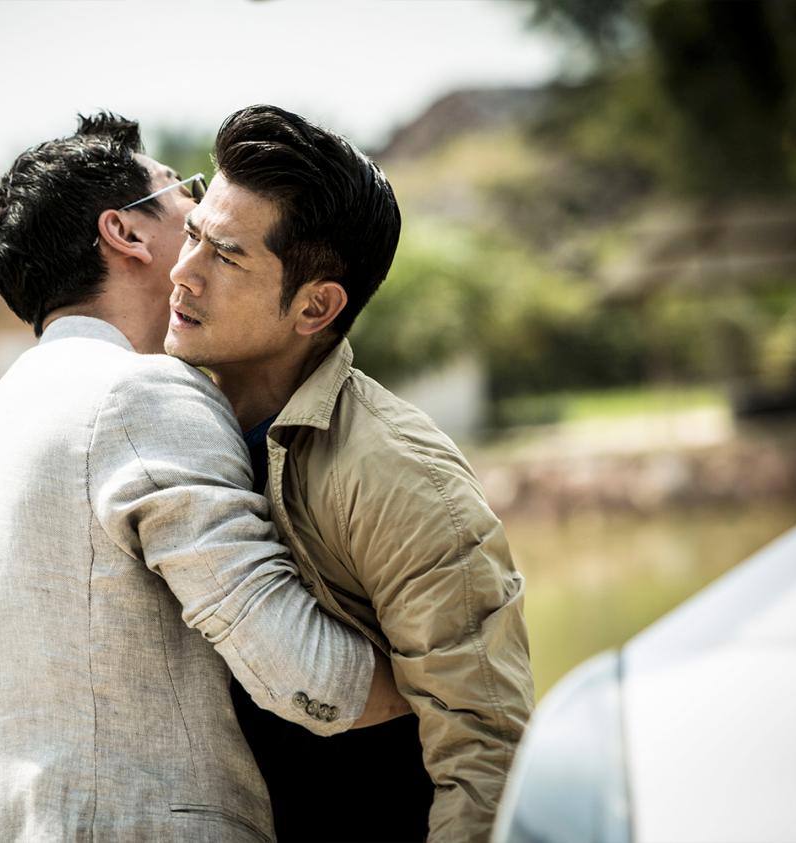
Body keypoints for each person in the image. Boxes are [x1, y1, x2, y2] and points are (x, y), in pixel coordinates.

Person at [0, 112, 405, 842]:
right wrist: (441, 684)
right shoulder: (141, 395)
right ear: (125, 233)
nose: (202, 217)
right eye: (183, 194)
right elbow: (299, 673)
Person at [164, 104, 535, 843]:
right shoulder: (158, 426)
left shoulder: (397, 473)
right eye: (191, 235)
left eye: (225, 256)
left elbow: (485, 748)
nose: (183, 272)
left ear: (315, 305)